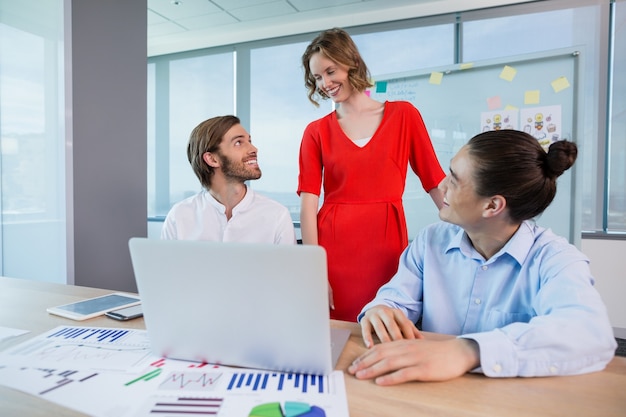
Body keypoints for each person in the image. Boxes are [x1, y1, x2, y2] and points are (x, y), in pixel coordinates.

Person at [348, 130, 617, 384]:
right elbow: (395, 298)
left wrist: (467, 350)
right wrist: (381, 309)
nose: (441, 185)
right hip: (430, 391)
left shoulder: (555, 259)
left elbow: (590, 333)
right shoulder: (431, 241)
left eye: (453, 179)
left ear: (492, 205)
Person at [297, 28, 446, 322]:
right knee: (337, 335)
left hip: (387, 246)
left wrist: (471, 227)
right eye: (317, 77)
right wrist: (315, 270)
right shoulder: (316, 132)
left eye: (330, 71)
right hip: (334, 248)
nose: (325, 83)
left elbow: (434, 181)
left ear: (351, 62)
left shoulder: (405, 116)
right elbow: (307, 206)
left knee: (388, 325)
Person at [161, 115, 296, 244]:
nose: (254, 149)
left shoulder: (277, 215)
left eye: (249, 141)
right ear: (212, 159)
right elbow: (164, 267)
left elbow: (290, 268)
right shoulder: (179, 217)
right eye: (238, 142)